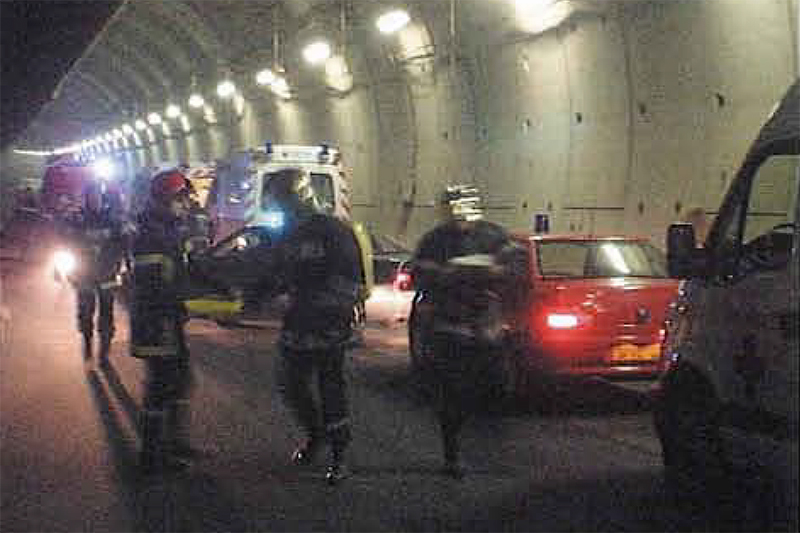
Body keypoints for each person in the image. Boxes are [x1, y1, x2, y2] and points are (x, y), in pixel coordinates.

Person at [411, 185, 523, 478]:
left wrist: (495, 273)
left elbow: (514, 266)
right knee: (453, 392)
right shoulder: (435, 241)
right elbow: (419, 275)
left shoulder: (494, 235)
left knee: (494, 386)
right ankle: (453, 454)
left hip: (486, 325)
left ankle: (493, 450)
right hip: (450, 325)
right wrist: (446, 274)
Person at [265, 168, 364, 485]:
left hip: (327, 324)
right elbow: (278, 272)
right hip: (298, 322)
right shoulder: (289, 233)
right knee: (291, 385)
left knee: (330, 388)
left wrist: (321, 307)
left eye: (283, 201)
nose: (281, 208)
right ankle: (315, 435)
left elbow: (349, 279)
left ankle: (340, 455)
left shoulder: (333, 231)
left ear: (300, 196)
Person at [129, 168, 195, 474]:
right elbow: (157, 284)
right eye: (182, 198)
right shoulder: (152, 234)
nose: (186, 204)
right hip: (156, 322)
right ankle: (152, 456)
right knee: (160, 387)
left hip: (168, 319)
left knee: (180, 381)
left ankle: (175, 443)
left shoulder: (166, 229)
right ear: (167, 198)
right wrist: (189, 296)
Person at [61, 181, 125, 366]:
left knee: (106, 313)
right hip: (84, 275)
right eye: (91, 197)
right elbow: (66, 242)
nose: (94, 200)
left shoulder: (113, 219)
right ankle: (88, 343)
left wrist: (118, 263)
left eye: (97, 196)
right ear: (86, 199)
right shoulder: (77, 219)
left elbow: (123, 242)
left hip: (107, 274)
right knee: (86, 313)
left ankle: (104, 351)